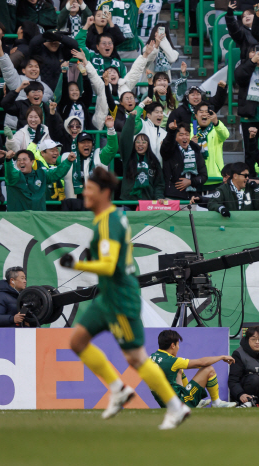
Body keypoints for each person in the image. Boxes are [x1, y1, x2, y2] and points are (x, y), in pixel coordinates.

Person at [59, 167, 190, 429]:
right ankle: (118, 388)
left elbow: (108, 266)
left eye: (90, 189)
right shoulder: (105, 218)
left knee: (136, 358)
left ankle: (176, 407)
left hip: (120, 296)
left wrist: (77, 265)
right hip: (106, 295)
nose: (85, 192)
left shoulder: (108, 222)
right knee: (77, 341)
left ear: (104, 193)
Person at [150, 330, 236, 409]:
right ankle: (217, 403)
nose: (178, 347)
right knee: (209, 369)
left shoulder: (151, 358)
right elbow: (202, 362)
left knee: (178, 369)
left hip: (165, 404)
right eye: (178, 344)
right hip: (180, 404)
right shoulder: (172, 361)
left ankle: (194, 400)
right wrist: (222, 357)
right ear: (173, 345)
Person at [58, 117, 118, 201]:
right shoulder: (66, 158)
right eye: (82, 142)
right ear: (77, 145)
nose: (86, 145)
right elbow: (52, 167)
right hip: (74, 206)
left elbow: (112, 148)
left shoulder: (99, 156)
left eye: (89, 142)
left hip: (95, 204)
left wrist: (111, 128)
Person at [119, 115, 165, 204]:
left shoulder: (154, 161)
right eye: (138, 142)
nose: (141, 145)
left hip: (148, 202)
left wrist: (159, 196)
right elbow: (124, 139)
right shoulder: (128, 157)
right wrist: (131, 119)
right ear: (134, 144)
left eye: (144, 142)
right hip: (129, 201)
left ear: (148, 145)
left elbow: (159, 183)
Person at [160, 122, 208, 200]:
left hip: (191, 198)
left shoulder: (196, 151)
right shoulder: (169, 151)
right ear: (175, 137)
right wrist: (171, 131)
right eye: (181, 135)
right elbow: (167, 144)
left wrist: (190, 182)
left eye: (187, 134)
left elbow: (204, 176)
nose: (184, 137)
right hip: (172, 197)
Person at [189, 102, 229, 192]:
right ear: (195, 115)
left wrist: (216, 122)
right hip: (195, 177)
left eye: (207, 112)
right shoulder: (190, 129)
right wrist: (190, 144)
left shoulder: (216, 128)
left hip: (215, 177)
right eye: (201, 111)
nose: (204, 114)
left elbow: (225, 135)